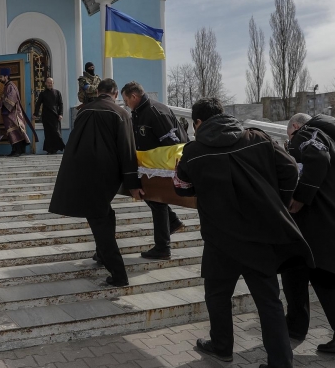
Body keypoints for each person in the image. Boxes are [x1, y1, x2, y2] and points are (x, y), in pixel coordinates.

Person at [174, 98, 313, 368]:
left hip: (219, 238)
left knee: (217, 295)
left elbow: (181, 187)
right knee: (269, 301)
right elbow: (290, 171)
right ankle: (280, 362)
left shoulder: (193, 151)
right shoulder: (258, 139)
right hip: (259, 235)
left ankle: (222, 346)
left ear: (198, 123)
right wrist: (277, 203)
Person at [284, 113, 335, 352]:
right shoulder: (332, 142)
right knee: (303, 271)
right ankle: (299, 327)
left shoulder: (307, 134)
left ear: (295, 127)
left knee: (311, 273)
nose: (291, 145)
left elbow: (316, 160)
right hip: (334, 218)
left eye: (290, 138)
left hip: (322, 220)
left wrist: (299, 197)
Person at [49, 79, 141, 287]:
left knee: (103, 215)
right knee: (101, 217)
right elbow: (127, 151)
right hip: (105, 174)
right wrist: (132, 183)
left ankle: (104, 258)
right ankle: (118, 273)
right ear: (115, 94)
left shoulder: (83, 112)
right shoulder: (121, 113)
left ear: (99, 92)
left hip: (80, 172)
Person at [120, 81, 187, 259]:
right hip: (148, 165)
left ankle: (163, 247)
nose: (125, 104)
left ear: (134, 96)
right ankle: (172, 222)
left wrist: (167, 167)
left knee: (157, 202)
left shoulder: (155, 112)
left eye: (126, 100)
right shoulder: (139, 112)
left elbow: (172, 142)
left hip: (161, 166)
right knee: (150, 197)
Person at [0, 68, 31, 156]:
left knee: (15, 131)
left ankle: (18, 150)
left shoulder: (11, 86)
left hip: (13, 113)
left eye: (1, 76)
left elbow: (12, 99)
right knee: (11, 132)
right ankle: (14, 149)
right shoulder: (6, 86)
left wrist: (3, 100)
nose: (0, 78)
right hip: (8, 113)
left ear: (6, 77)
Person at [34, 77, 65, 154]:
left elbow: (60, 104)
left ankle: (58, 148)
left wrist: (60, 114)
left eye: (51, 83)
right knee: (48, 134)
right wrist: (35, 114)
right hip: (46, 117)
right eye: (48, 82)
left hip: (55, 116)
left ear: (53, 83)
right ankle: (49, 150)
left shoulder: (57, 93)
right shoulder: (43, 94)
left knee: (56, 133)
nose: (49, 84)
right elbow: (38, 104)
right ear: (46, 83)